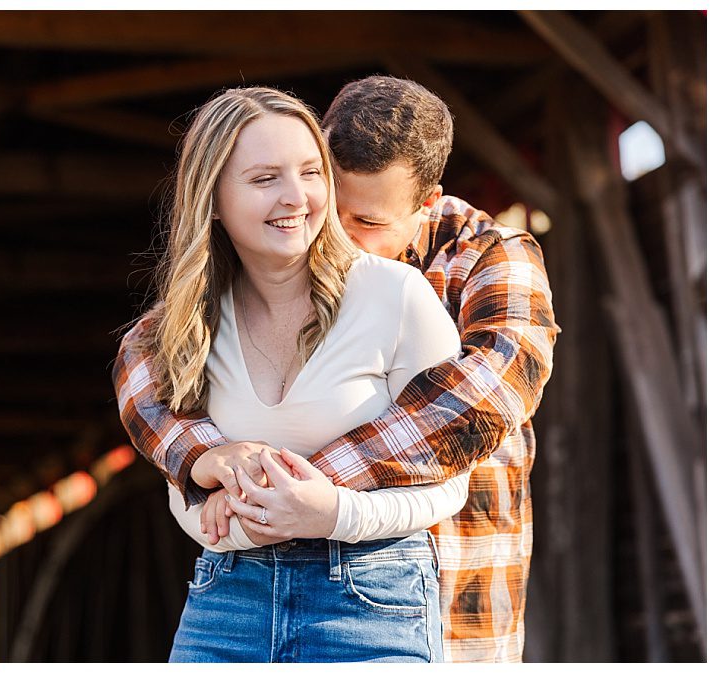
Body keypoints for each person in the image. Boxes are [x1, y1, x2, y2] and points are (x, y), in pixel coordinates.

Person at [113, 75, 560, 663]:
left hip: (453, 581)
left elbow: (479, 401)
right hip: (254, 588)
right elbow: (147, 356)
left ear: (427, 203)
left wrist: (283, 488)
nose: (330, 232)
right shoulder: (261, 279)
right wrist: (205, 458)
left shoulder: (488, 256)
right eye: (326, 194)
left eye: (367, 223)